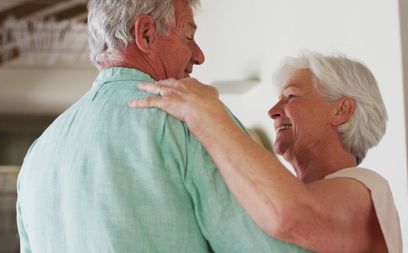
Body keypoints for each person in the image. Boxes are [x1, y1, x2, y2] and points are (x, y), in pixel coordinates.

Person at [16, 0, 310, 252]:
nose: (199, 55)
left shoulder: (37, 155)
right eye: (188, 36)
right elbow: (273, 244)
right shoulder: (191, 117)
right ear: (145, 33)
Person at [130, 51, 403, 253]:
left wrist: (207, 113)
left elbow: (289, 214)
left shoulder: (368, 187)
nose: (273, 111)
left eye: (291, 97)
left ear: (341, 110)